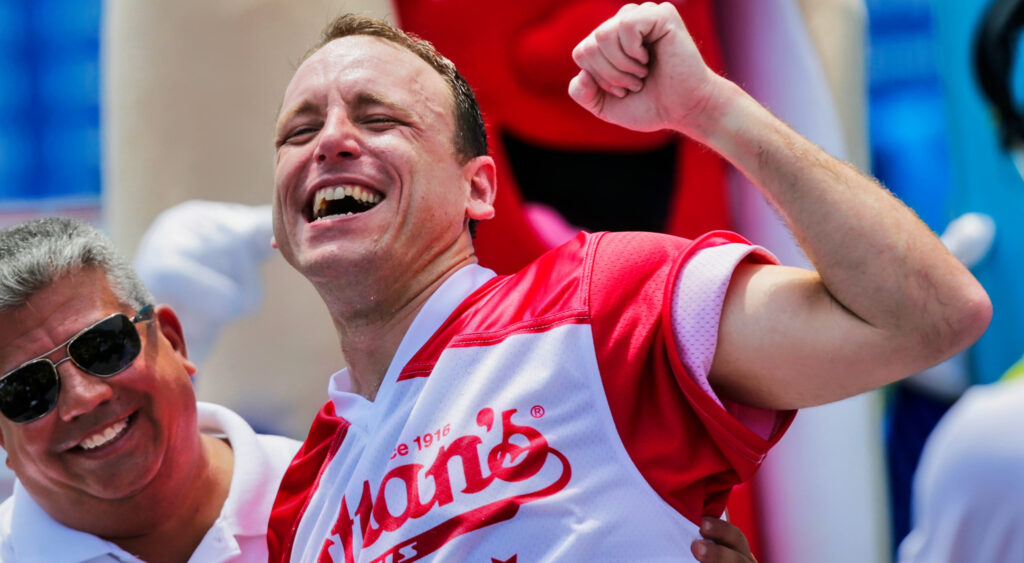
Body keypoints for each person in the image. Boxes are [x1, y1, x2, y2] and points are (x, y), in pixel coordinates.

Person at [265, 3, 990, 561]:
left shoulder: (604, 300)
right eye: (299, 132)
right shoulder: (298, 499)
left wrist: (712, 107)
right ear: (281, 223)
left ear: (477, 189)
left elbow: (928, 315)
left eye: (378, 117)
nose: (329, 140)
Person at [0, 217, 300, 562]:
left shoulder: (343, 496)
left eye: (103, 347)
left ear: (172, 340)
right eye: (27, 389)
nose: (83, 398)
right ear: (2, 436)